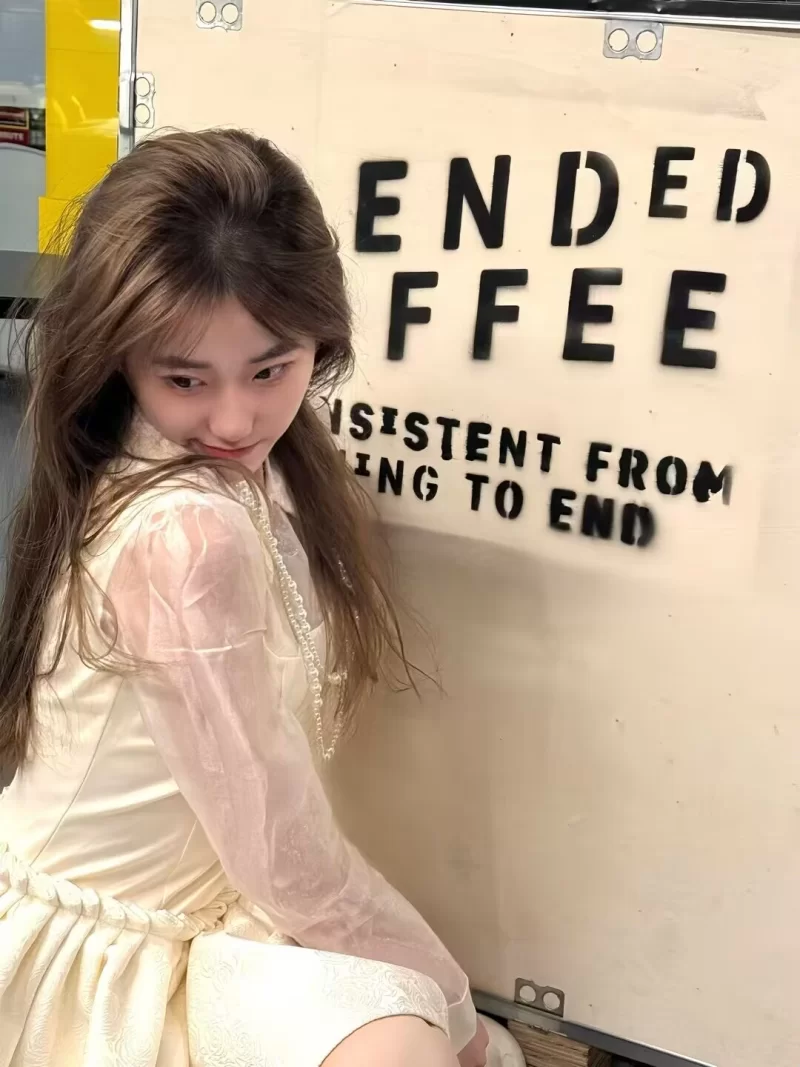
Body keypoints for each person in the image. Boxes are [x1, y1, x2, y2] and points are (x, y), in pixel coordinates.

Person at [0, 129, 494, 1067]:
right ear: (119, 357)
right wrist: (452, 998)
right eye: (185, 379)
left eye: (271, 369)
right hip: (109, 963)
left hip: (208, 918)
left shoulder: (251, 474)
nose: (235, 419)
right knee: (416, 1040)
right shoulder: (188, 532)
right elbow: (284, 854)